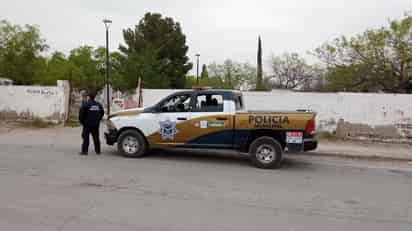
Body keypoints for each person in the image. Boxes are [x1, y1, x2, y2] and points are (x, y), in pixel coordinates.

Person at [78, 90, 104, 155]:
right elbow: (102, 113)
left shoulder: (86, 104)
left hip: (87, 124)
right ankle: (98, 151)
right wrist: (98, 120)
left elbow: (81, 114)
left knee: (86, 138)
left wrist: (82, 122)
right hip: (96, 124)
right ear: (94, 97)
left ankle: (84, 151)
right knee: (96, 138)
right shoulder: (98, 105)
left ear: (89, 97)